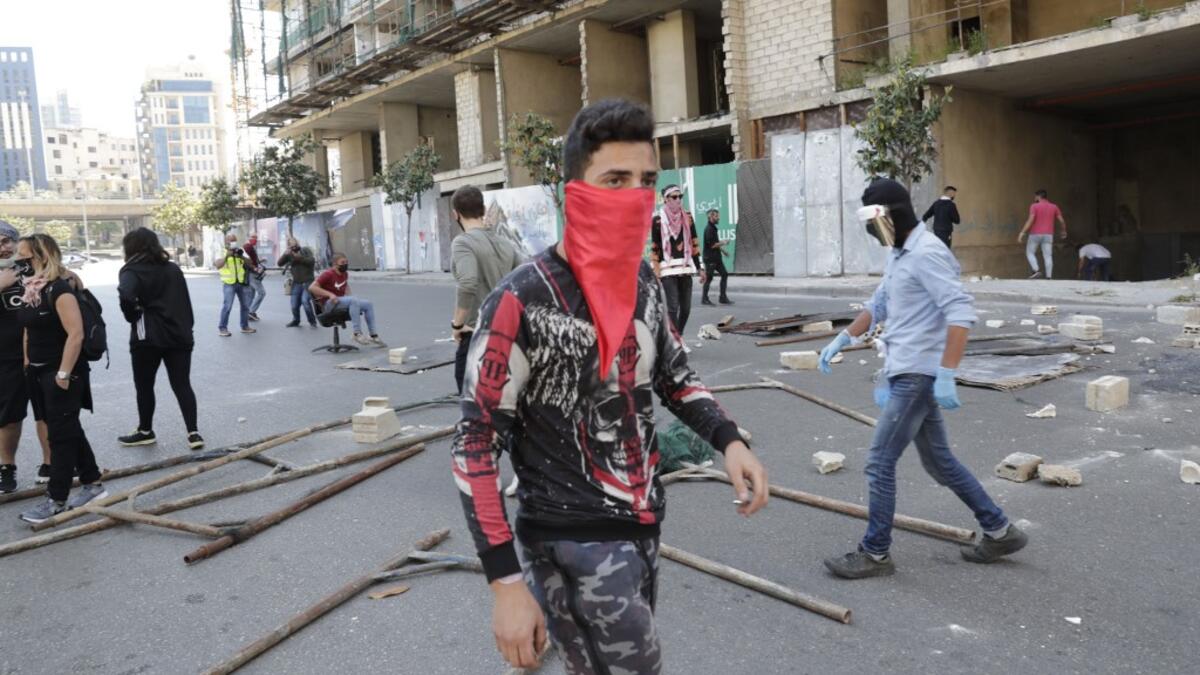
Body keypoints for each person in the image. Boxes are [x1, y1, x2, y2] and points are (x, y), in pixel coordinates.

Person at [452, 99, 768, 673]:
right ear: (575, 189)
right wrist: (505, 585)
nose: (633, 196)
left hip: (641, 524)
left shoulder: (642, 283)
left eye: (645, 181)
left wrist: (730, 440)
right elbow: (475, 444)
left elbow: (676, 376)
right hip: (569, 538)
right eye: (614, 180)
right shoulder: (521, 302)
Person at [817, 178, 1028, 580]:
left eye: (878, 224)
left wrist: (946, 373)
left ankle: (875, 554)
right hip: (904, 370)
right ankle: (999, 530)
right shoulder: (900, 254)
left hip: (919, 373)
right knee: (940, 463)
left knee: (879, 463)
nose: (876, 235)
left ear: (894, 217)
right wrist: (843, 338)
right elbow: (878, 304)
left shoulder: (928, 253)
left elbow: (960, 312)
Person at [15, 234, 107, 523]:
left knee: (60, 436)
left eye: (25, 259)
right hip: (39, 372)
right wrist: (29, 365)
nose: (20, 265)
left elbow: (76, 334)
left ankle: (57, 499)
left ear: (42, 257)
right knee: (68, 427)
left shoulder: (59, 290)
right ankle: (92, 483)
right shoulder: (32, 290)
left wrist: (63, 374)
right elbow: (29, 331)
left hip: (64, 372)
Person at [116, 228, 203, 450]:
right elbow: (184, 301)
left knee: (145, 385)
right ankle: (193, 433)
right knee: (182, 384)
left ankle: (145, 430)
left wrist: (133, 315)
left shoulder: (131, 270)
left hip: (148, 338)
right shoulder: (173, 269)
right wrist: (187, 328)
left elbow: (126, 295)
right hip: (180, 335)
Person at [449, 185, 524, 395]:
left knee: (470, 399)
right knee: (502, 399)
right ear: (482, 209)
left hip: (476, 334)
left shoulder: (463, 243)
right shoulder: (504, 242)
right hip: (507, 333)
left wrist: (457, 324)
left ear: (455, 214)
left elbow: (468, 282)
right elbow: (526, 275)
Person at [0, 220, 51, 493]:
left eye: (7, 241)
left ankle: (50, 464)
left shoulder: (30, 268)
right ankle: (7, 467)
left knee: (47, 412)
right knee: (9, 417)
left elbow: (56, 278)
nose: (3, 248)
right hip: (6, 358)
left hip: (42, 353)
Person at [651, 184, 704, 333]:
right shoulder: (657, 220)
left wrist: (700, 268)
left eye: (680, 196)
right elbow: (655, 247)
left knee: (686, 308)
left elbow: (694, 242)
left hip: (685, 268)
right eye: (674, 197)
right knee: (673, 307)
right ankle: (675, 341)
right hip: (667, 270)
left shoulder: (687, 217)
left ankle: (678, 336)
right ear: (666, 199)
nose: (678, 200)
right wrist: (656, 270)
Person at [309, 253, 384, 346]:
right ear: (335, 264)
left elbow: (345, 285)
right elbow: (312, 288)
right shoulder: (327, 274)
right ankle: (357, 333)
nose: (345, 264)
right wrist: (330, 294)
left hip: (340, 301)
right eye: (342, 262)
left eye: (346, 262)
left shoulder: (344, 274)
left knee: (368, 304)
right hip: (329, 304)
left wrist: (351, 297)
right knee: (353, 300)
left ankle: (373, 335)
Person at [1017, 189, 1067, 279]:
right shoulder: (1054, 206)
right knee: (1048, 255)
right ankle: (1049, 277)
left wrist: (1022, 232)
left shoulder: (1034, 206)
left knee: (1030, 252)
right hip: (1048, 235)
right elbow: (1062, 221)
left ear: (1038, 196)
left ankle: (1036, 270)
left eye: (1035, 196)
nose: (1034, 198)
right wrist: (1063, 231)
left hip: (1035, 234)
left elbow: (1031, 220)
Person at [217, 233, 255, 337]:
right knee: (227, 306)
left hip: (241, 283)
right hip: (229, 283)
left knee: (245, 306)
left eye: (234, 240)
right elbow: (218, 265)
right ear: (226, 241)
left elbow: (250, 262)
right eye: (230, 240)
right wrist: (227, 256)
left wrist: (241, 256)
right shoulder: (221, 251)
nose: (232, 242)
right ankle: (222, 328)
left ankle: (245, 326)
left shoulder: (240, 250)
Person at [277, 237, 318, 328]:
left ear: (297, 242)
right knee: (294, 304)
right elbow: (279, 263)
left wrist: (298, 257)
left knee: (305, 301)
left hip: (308, 282)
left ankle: (312, 321)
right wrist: (285, 254)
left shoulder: (305, 250)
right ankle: (296, 320)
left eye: (294, 243)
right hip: (296, 283)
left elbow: (311, 261)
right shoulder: (289, 254)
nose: (292, 246)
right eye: (290, 244)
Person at [701, 208, 733, 306]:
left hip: (716, 257)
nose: (718, 218)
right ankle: (704, 299)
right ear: (710, 217)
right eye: (716, 216)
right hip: (710, 258)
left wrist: (723, 251)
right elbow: (712, 245)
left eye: (718, 216)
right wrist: (724, 242)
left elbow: (715, 243)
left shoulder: (713, 228)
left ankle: (722, 297)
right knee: (709, 278)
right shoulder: (709, 229)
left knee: (724, 274)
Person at [243, 234, 267, 321]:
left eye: (256, 238)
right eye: (253, 237)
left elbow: (252, 260)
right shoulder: (247, 246)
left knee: (251, 295)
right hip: (252, 273)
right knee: (262, 293)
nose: (255, 239)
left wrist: (260, 261)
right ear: (248, 238)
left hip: (251, 273)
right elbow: (245, 260)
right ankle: (251, 312)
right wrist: (255, 268)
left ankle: (247, 313)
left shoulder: (250, 247)